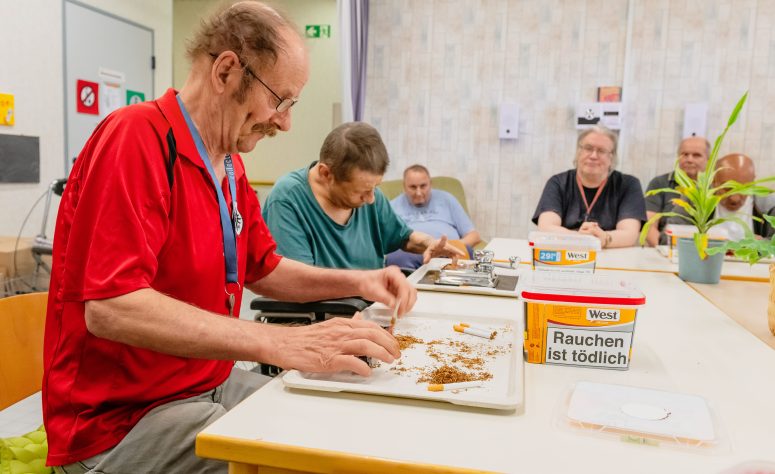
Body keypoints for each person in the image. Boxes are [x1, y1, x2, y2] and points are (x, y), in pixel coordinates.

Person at [43, 3, 417, 473]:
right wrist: (277, 342)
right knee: (302, 462)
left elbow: (264, 268)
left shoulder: (228, 164)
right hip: (122, 421)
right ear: (225, 71)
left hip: (205, 385)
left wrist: (361, 281)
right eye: (280, 100)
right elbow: (111, 307)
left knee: (337, 426)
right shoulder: (136, 138)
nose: (285, 122)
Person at [262, 122, 466, 270]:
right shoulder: (287, 200)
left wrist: (428, 243)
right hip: (321, 314)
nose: (371, 199)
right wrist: (367, 283)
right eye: (361, 191)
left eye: (375, 188)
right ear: (326, 174)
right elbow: (298, 282)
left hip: (368, 306)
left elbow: (403, 237)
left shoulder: (372, 196)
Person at [532, 126, 646, 248]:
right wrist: (581, 238)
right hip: (567, 253)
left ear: (612, 157)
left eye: (601, 151)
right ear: (578, 151)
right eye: (588, 148)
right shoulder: (558, 183)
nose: (593, 156)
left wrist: (604, 238)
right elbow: (546, 227)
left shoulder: (628, 185)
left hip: (610, 253)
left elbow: (629, 234)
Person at [385, 164, 481, 269]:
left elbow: (474, 236)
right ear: (404, 186)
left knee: (465, 252)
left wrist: (448, 246)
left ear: (430, 184)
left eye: (423, 186)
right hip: (410, 253)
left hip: (448, 252)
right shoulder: (391, 206)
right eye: (413, 187)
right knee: (395, 258)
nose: (418, 193)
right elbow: (385, 241)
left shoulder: (447, 199)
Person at [644, 136, 710, 246]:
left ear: (708, 160)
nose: (689, 159)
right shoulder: (659, 183)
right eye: (685, 154)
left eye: (696, 155)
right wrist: (665, 250)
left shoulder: (715, 188)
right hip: (665, 247)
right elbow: (649, 226)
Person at [712, 153, 773, 239]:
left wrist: (764, 243)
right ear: (714, 182)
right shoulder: (696, 206)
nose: (735, 199)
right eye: (727, 188)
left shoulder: (769, 207)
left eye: (744, 189)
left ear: (752, 182)